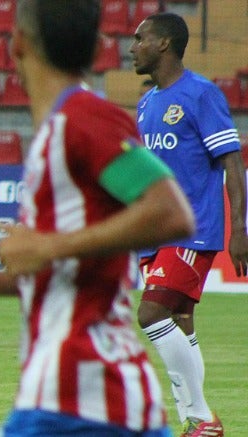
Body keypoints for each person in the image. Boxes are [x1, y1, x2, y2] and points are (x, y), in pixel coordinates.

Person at [0, 1, 196, 436]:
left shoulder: (83, 118)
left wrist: (46, 245)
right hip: (75, 394)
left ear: (18, 43)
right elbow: (82, 265)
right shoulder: (58, 129)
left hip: (87, 393)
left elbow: (170, 212)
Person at [130, 12, 248, 436]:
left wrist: (239, 228)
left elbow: (232, 162)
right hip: (155, 234)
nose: (132, 47)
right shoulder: (146, 104)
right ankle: (196, 424)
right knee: (178, 322)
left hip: (192, 227)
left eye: (140, 38)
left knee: (150, 313)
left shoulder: (201, 94)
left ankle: (202, 418)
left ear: (163, 44)